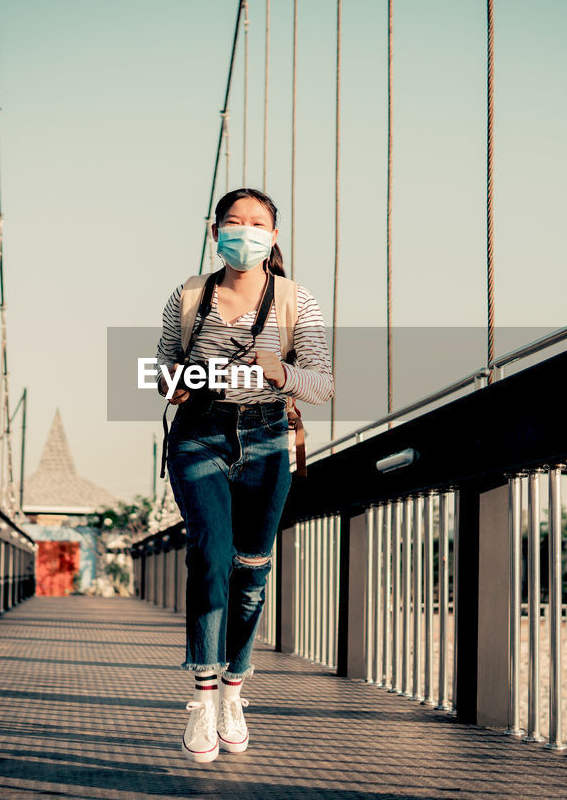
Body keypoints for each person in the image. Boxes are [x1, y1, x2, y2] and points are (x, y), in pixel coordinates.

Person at [154, 188, 333, 763]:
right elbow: (159, 365)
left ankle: (235, 687)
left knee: (252, 567)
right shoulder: (187, 295)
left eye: (258, 223)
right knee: (211, 553)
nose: (245, 231)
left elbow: (323, 384)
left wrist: (280, 371)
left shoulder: (295, 300)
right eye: (233, 222)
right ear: (215, 233)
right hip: (197, 434)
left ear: (274, 236)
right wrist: (172, 382)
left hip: (266, 438)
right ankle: (203, 698)